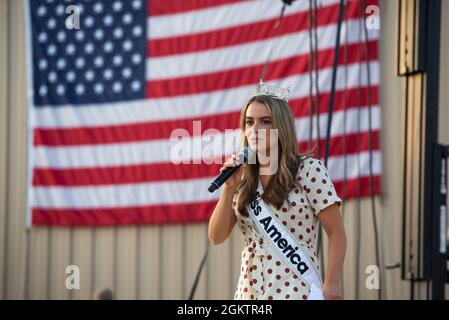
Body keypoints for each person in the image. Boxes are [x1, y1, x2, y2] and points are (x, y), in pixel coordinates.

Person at [208, 81, 347, 300]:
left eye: (265, 122)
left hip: (296, 290)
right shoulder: (242, 177)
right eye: (250, 122)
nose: (255, 129)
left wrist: (332, 282)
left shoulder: (308, 170)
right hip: (249, 293)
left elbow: (336, 232)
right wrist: (228, 191)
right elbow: (216, 236)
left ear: (281, 126)